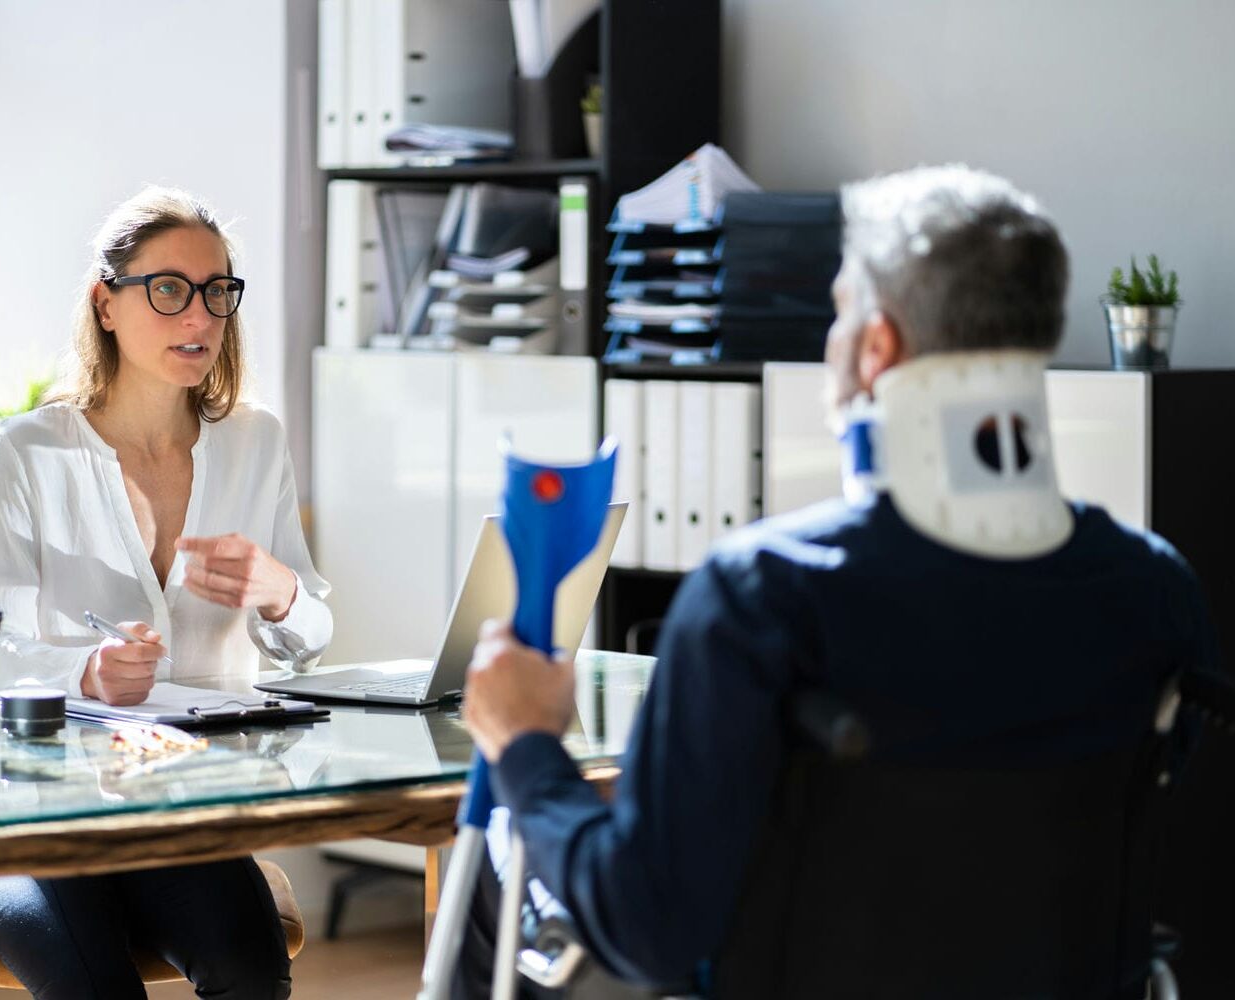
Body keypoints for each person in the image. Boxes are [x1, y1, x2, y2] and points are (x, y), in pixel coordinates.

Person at [459, 166, 1220, 996]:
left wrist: (526, 747)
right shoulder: (1156, 590)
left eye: (838, 311)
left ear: (877, 345)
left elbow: (649, 929)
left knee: (499, 878)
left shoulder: (761, 597)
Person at [0, 186, 329, 999]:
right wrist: (85, 673)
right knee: (96, 986)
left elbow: (312, 637)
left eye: (217, 291)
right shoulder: (28, 452)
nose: (199, 316)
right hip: (33, 811)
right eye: (168, 290)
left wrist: (282, 595)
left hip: (179, 807)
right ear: (107, 304)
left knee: (251, 970)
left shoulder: (256, 443)